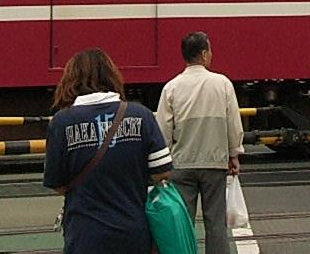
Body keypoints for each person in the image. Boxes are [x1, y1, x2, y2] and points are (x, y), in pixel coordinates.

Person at [43, 48, 173, 254]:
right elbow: (162, 171)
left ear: (71, 79)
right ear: (112, 76)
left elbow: (56, 183)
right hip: (133, 233)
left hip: (84, 235)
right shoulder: (141, 115)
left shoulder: (61, 122)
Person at [156, 32, 243, 254]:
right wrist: (234, 153)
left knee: (183, 223)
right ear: (204, 54)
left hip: (182, 164)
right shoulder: (222, 84)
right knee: (216, 223)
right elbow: (233, 124)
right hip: (214, 163)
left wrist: (163, 164)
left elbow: (163, 131)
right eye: (210, 50)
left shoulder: (171, 88)